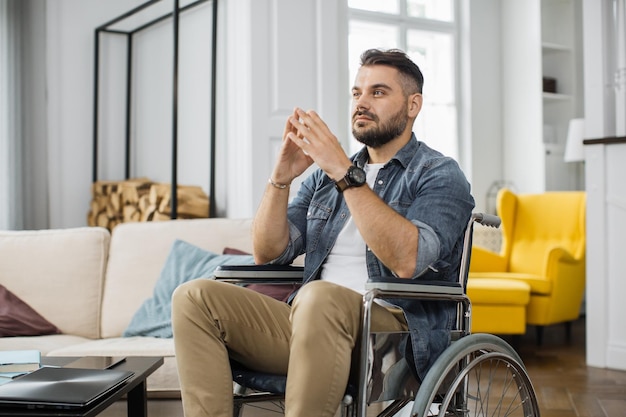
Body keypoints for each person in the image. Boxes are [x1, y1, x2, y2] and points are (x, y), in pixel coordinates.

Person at [172, 48, 475, 417]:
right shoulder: (323, 179)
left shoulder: (438, 174)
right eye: (357, 92)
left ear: (413, 105)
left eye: (378, 92)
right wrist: (280, 179)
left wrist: (344, 172)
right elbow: (269, 251)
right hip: (309, 321)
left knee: (317, 297)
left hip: (391, 332)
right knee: (194, 297)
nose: (361, 103)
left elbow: (407, 260)